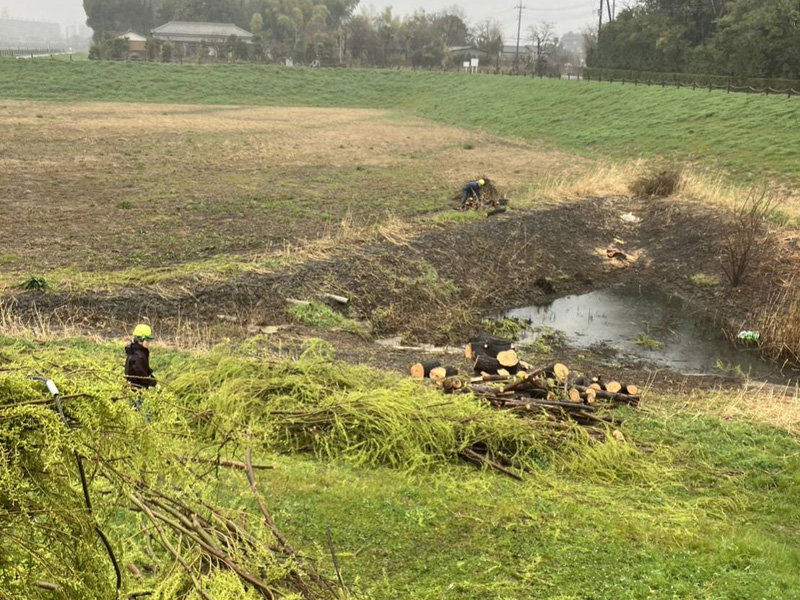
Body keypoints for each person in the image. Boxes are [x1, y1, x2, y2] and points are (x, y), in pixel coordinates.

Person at [125, 324, 156, 390]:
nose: (148, 343)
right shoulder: (137, 357)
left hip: (139, 388)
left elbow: (145, 368)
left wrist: (151, 375)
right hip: (137, 390)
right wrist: (151, 383)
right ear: (140, 340)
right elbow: (141, 374)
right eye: (147, 340)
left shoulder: (141, 352)